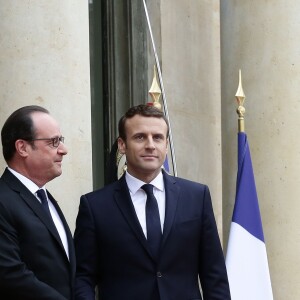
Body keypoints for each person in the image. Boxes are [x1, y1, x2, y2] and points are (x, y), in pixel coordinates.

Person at [74, 104, 231, 300]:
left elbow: (214, 274)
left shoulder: (196, 196)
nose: (150, 145)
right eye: (140, 137)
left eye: (157, 137)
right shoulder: (95, 206)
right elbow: (83, 277)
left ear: (166, 144)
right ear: (122, 145)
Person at [0, 105, 76, 299]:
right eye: (54, 142)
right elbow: (10, 275)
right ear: (22, 147)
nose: (63, 150)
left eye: (61, 141)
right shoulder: (4, 199)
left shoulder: (44, 198)